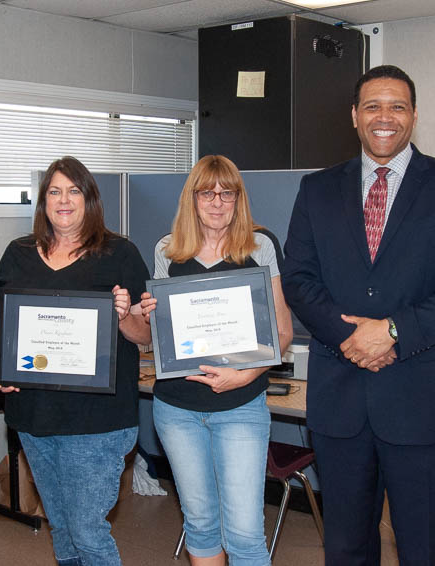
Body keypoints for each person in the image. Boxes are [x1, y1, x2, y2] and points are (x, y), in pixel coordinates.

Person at [282, 65, 435, 565]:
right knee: (346, 547)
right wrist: (353, 339)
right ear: (354, 116)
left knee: (424, 544)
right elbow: (298, 280)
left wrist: (391, 331)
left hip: (419, 399)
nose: (384, 117)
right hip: (339, 400)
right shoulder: (317, 189)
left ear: (413, 115)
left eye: (397, 106)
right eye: (372, 106)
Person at [0, 156, 151, 566]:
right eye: (54, 192)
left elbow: (146, 337)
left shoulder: (120, 253)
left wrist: (123, 315)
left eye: (74, 191)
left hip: (98, 420)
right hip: (34, 414)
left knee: (87, 531)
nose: (64, 200)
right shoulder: (18, 253)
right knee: (61, 526)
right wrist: (0, 362)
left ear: (89, 198)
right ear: (44, 201)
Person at [141, 155, 293, 566]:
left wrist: (244, 376)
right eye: (207, 192)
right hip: (177, 410)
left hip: (241, 406)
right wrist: (145, 313)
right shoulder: (167, 250)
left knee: (244, 531)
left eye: (228, 192)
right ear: (192, 198)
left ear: (239, 199)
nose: (217, 201)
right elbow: (156, 336)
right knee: (201, 523)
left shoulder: (260, 245)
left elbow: (282, 333)